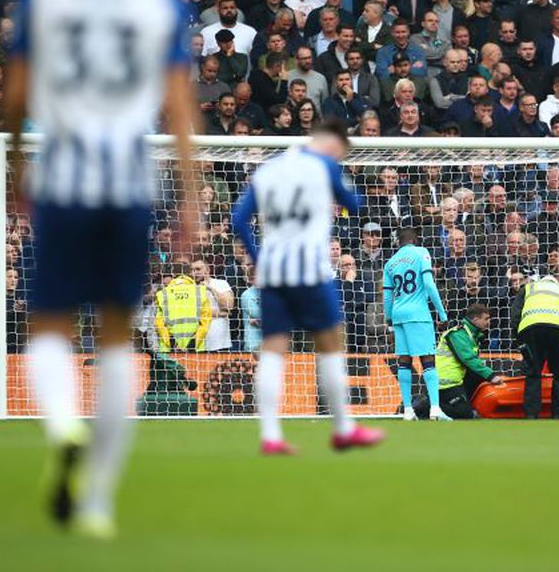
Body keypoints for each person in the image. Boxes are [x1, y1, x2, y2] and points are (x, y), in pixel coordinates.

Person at [1, 0, 198, 537]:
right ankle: (97, 502)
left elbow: (15, 95)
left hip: (63, 179)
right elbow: (179, 109)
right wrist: (191, 196)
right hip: (127, 184)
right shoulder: (157, 1)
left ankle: (64, 425)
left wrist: (18, 168)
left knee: (50, 326)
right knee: (117, 336)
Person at [230, 119, 385, 453]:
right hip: (309, 270)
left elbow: (238, 220)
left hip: (272, 272)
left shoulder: (267, 170)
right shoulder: (324, 166)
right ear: (333, 144)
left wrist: (258, 259)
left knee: (273, 349)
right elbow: (355, 206)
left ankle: (270, 436)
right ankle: (343, 428)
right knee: (331, 343)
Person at [383, 226, 449, 420]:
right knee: (428, 359)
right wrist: (442, 314)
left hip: (398, 314)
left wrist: (389, 322)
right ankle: (435, 408)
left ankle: (408, 410)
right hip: (418, 313)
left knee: (404, 361)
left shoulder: (390, 263)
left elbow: (387, 297)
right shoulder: (421, 252)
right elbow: (428, 284)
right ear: (415, 240)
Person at [513, 271, 559, 419]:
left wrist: (518, 340)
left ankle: (531, 413)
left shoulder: (528, 289)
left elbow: (515, 315)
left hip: (531, 329)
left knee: (533, 372)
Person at [434, 303, 505, 419]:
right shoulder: (457, 334)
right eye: (486, 319)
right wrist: (491, 376)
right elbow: (468, 359)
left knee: (479, 377)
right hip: (445, 383)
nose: (489, 322)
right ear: (476, 320)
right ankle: (426, 405)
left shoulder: (470, 335)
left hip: (457, 380)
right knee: (465, 414)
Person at [152, 265, 213, 351]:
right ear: (190, 274)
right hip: (195, 349)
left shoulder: (162, 294)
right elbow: (206, 321)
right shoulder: (201, 291)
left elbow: (159, 323)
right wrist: (192, 343)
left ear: (173, 275)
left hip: (169, 349)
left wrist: (172, 342)